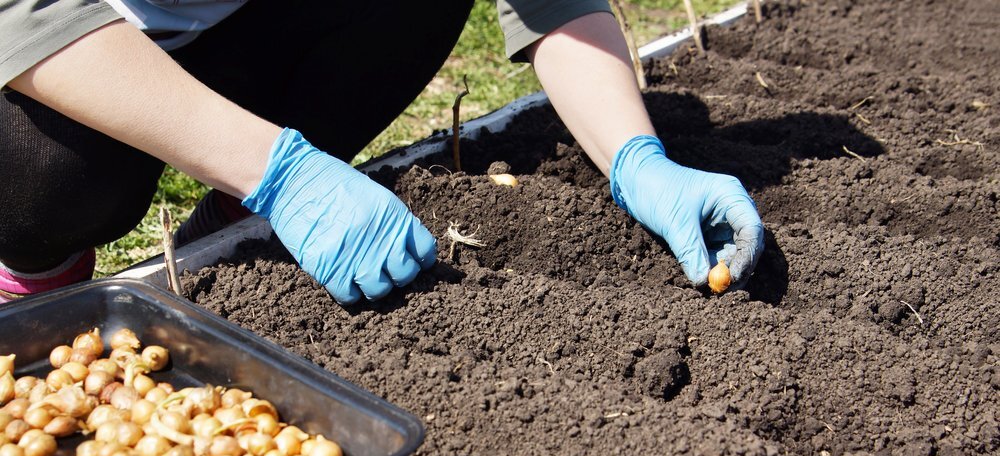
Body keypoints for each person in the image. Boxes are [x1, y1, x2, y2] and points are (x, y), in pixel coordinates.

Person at [0, 1, 764, 305]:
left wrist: (639, 158)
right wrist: (283, 171)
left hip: (243, 18)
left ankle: (232, 232)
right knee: (57, 176)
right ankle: (27, 281)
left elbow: (552, 3)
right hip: (69, 48)